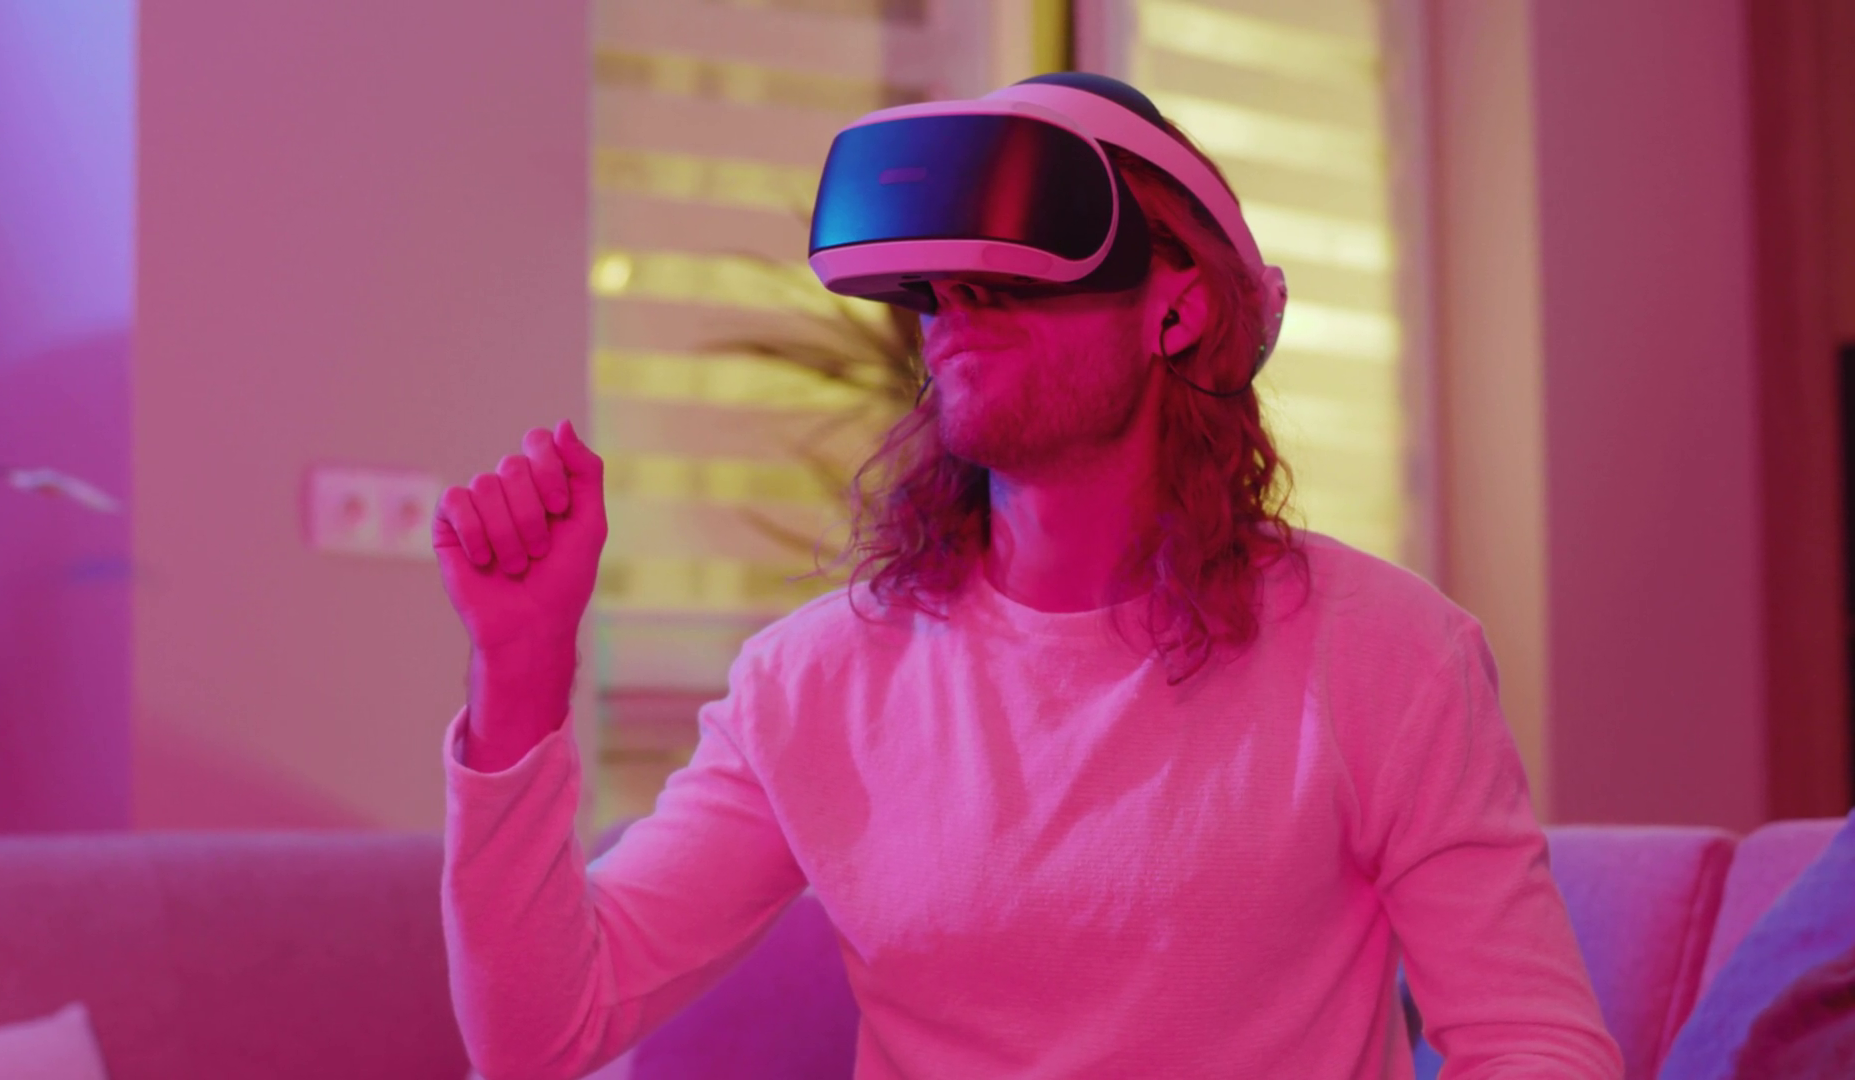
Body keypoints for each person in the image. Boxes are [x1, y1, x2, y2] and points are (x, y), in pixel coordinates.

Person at [432, 74, 1622, 1079]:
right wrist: (520, 667)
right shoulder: (816, 683)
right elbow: (540, 1036)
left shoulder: (1385, 654)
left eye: (1011, 268)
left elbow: (1533, 1042)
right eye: (939, 279)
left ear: (1179, 310)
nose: (955, 303)